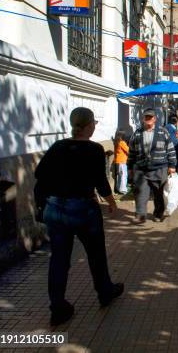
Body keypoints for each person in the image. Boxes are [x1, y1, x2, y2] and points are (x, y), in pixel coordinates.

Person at [35, 107, 124, 326]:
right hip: (83, 210)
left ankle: (57, 308)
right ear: (88, 126)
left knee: (59, 259)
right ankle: (104, 291)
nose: (95, 126)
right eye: (93, 122)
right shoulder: (93, 150)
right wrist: (112, 203)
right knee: (96, 254)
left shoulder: (58, 146)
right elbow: (101, 183)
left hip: (55, 209)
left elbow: (40, 175)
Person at [128, 108, 177, 223]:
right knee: (140, 192)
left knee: (159, 193)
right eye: (146, 117)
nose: (148, 119)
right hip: (141, 169)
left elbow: (170, 149)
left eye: (150, 117)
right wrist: (130, 167)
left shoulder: (163, 132)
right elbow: (131, 152)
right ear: (143, 119)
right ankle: (140, 215)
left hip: (159, 168)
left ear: (155, 119)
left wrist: (172, 165)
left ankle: (158, 214)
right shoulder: (137, 133)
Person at [113, 130, 129, 195]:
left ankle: (118, 188)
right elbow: (128, 150)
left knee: (119, 176)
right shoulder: (122, 142)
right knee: (123, 176)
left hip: (117, 161)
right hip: (122, 161)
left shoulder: (116, 142)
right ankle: (123, 190)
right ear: (122, 136)